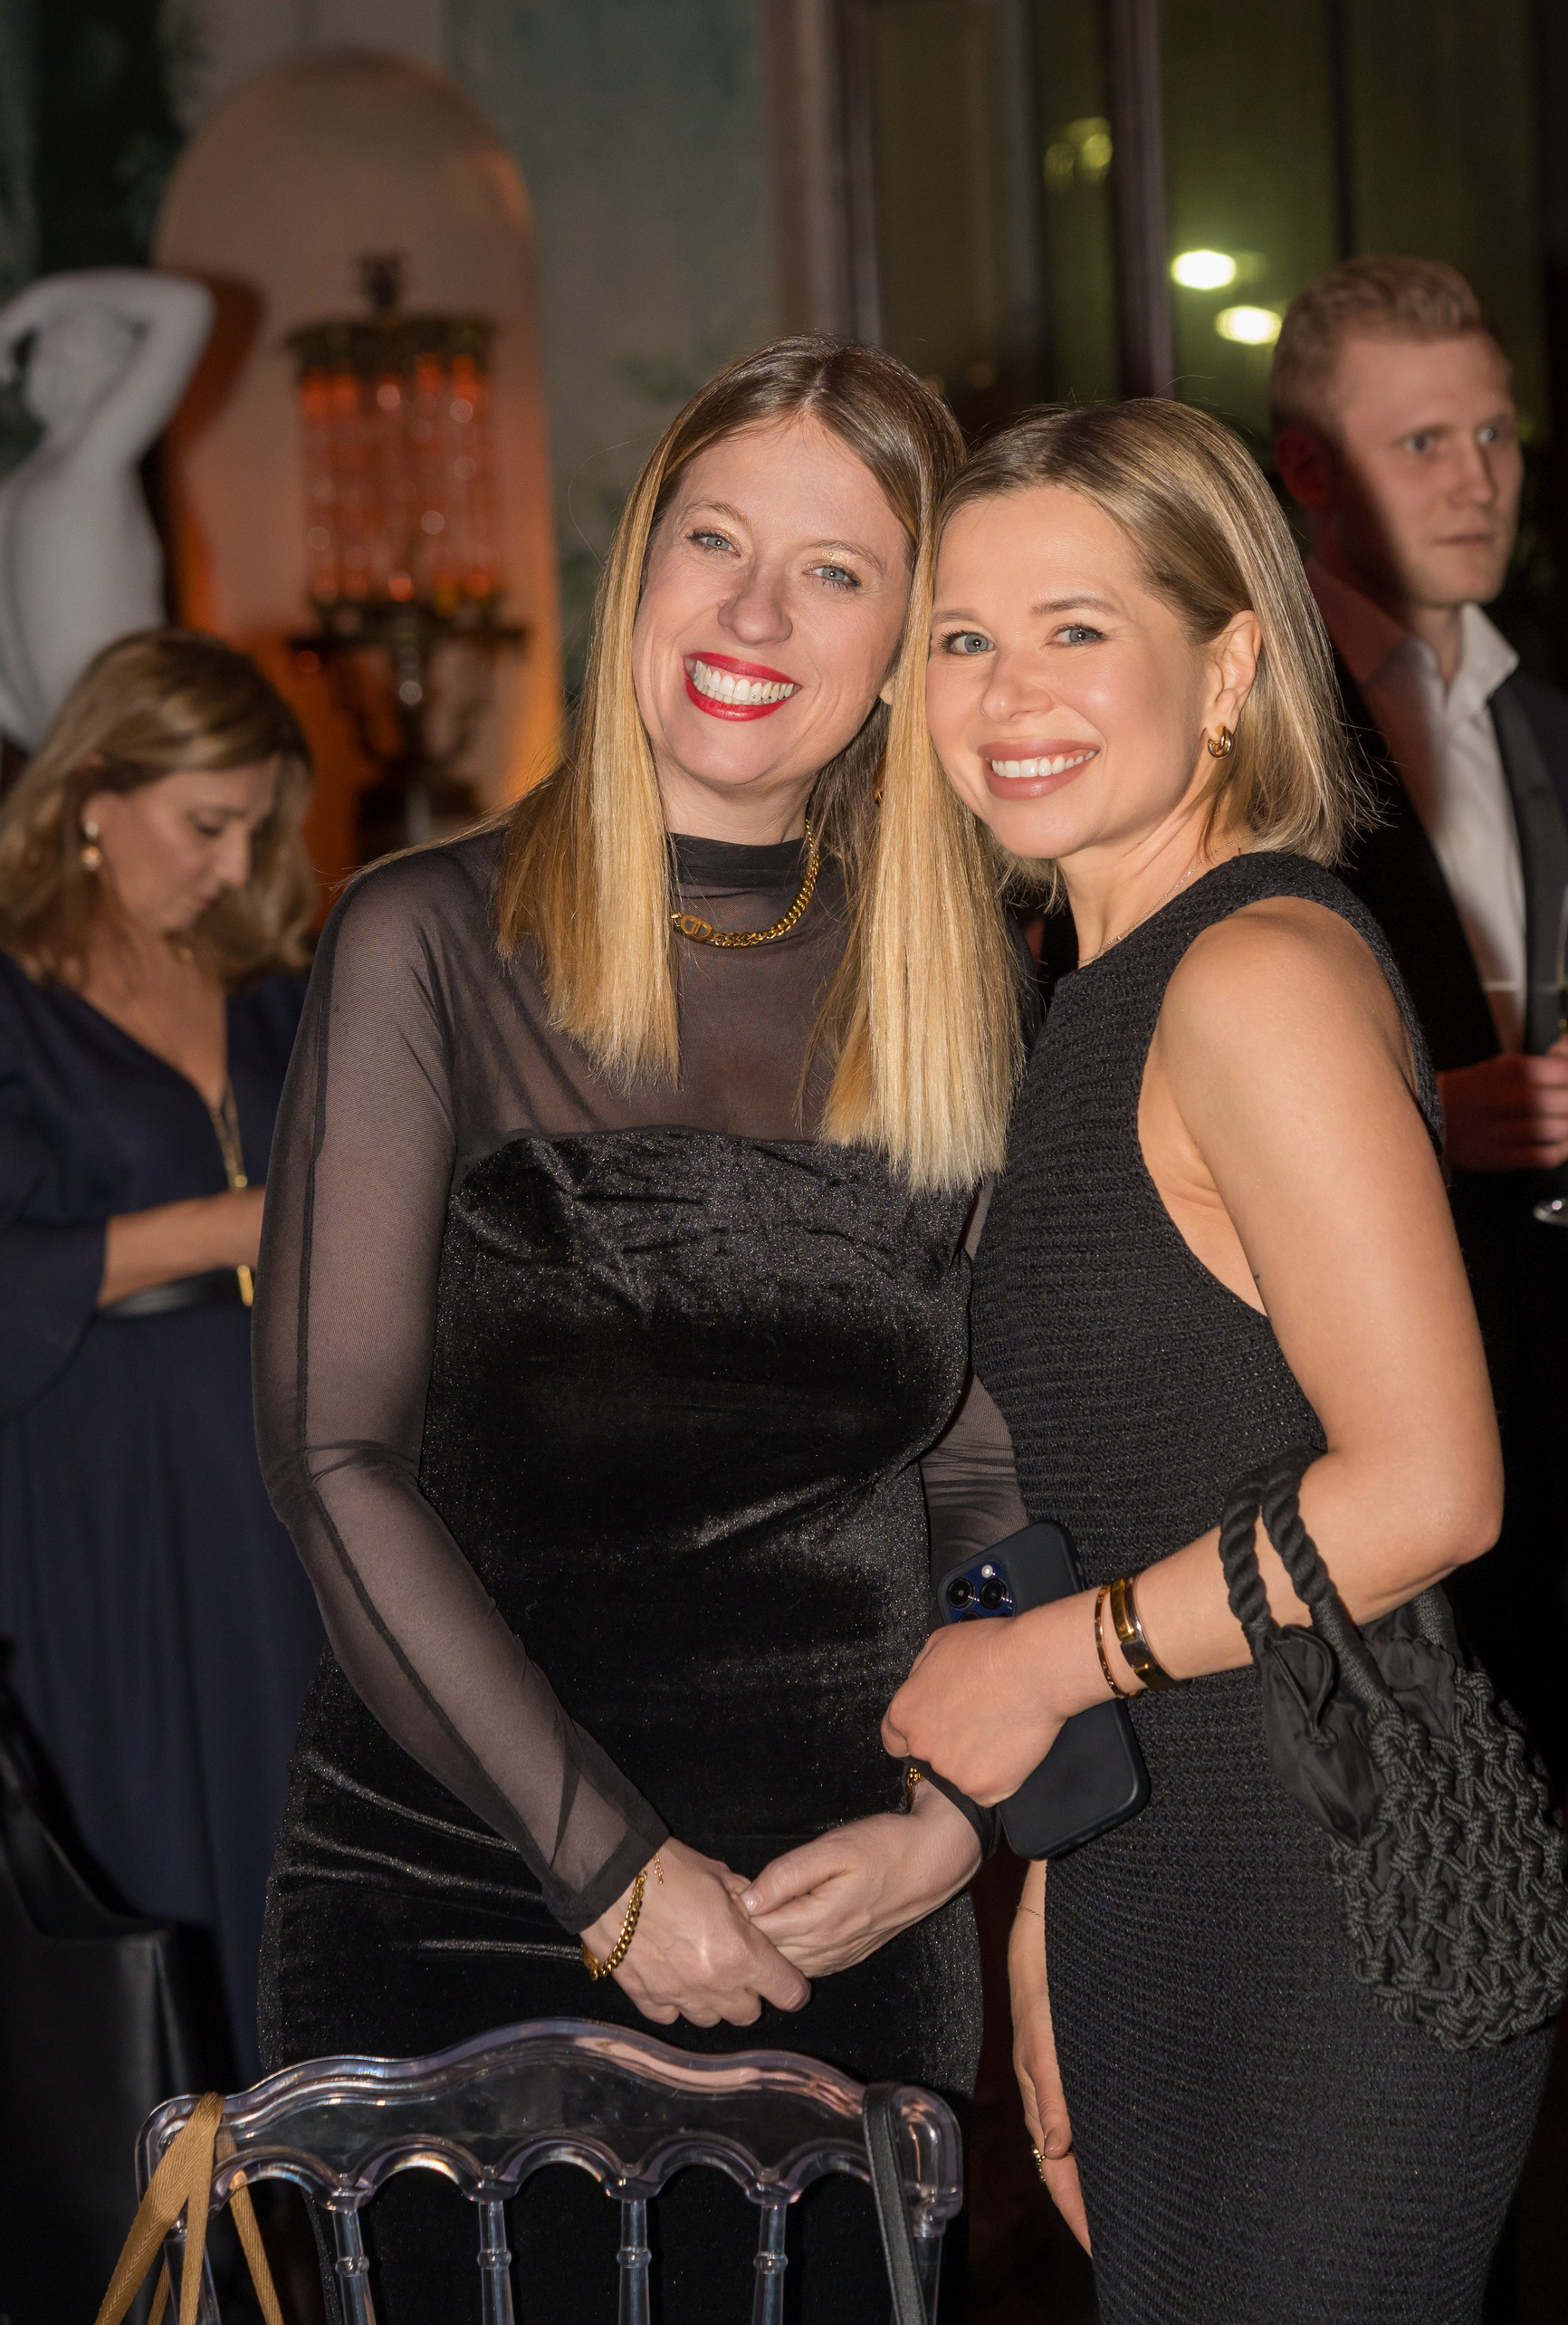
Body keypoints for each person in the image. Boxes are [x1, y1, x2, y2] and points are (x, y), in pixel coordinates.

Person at [253, 339, 1019, 2324]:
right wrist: (606, 1868)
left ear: (908, 647)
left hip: (856, 1901)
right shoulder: (428, 939)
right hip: (465, 1886)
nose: (755, 614)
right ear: (639, 570)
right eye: (715, 540)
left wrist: (952, 1826)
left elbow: (985, 1467)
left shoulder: (969, 988)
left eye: (836, 573)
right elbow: (331, 1457)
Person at [881, 397, 1554, 2325]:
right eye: (963, 635)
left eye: (1079, 627)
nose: (1009, 689)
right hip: (1163, 1870)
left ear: (1234, 662)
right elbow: (1139, 1480)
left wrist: (1046, 1666)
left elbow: (1430, 1490)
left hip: (1342, 1903)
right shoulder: (1090, 999)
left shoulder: (1252, 976)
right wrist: (1059, 1893)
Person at [1268, 256, 1568, 1801]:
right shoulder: (1253, 724)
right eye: (1422, 441)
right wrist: (1436, 1120)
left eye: (1494, 433)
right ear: (1308, 470)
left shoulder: (1564, 735)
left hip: (1537, 1441)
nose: (1478, 478)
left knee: (1530, 1893)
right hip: (1322, 1461)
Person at [0, 627, 323, 2079]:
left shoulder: (270, 983)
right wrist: (216, 1226)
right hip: (97, 1499)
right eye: (206, 824)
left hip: (284, 1490)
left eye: (257, 828)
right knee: (141, 1859)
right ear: (92, 795)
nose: (234, 863)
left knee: (296, 1856)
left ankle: (307, 2182)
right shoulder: (13, 997)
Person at [0, 269, 214, 756]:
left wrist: (34, 305)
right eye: (51, 349)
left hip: (128, 737)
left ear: (124, 374)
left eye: (81, 349)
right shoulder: (16, 488)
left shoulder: (96, 456)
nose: (60, 362)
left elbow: (189, 305)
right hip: (57, 748)